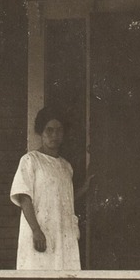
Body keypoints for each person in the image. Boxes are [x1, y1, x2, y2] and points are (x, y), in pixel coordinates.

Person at [11, 107, 84, 271]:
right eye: (49, 130)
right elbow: (24, 198)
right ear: (40, 132)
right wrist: (36, 231)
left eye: (59, 131)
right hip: (40, 233)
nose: (54, 135)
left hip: (62, 233)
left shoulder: (66, 167)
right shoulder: (30, 160)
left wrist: (85, 188)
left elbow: (65, 200)